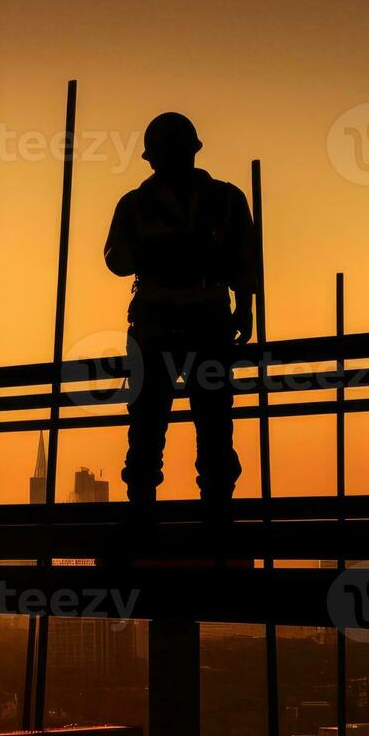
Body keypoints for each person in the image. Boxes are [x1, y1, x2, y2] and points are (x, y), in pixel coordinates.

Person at [103, 112, 257, 524]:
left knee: (211, 424)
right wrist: (155, 252)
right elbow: (115, 259)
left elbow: (245, 259)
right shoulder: (137, 205)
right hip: (163, 328)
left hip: (199, 325)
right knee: (151, 427)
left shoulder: (224, 199)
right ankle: (149, 515)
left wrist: (244, 307)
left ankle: (213, 514)